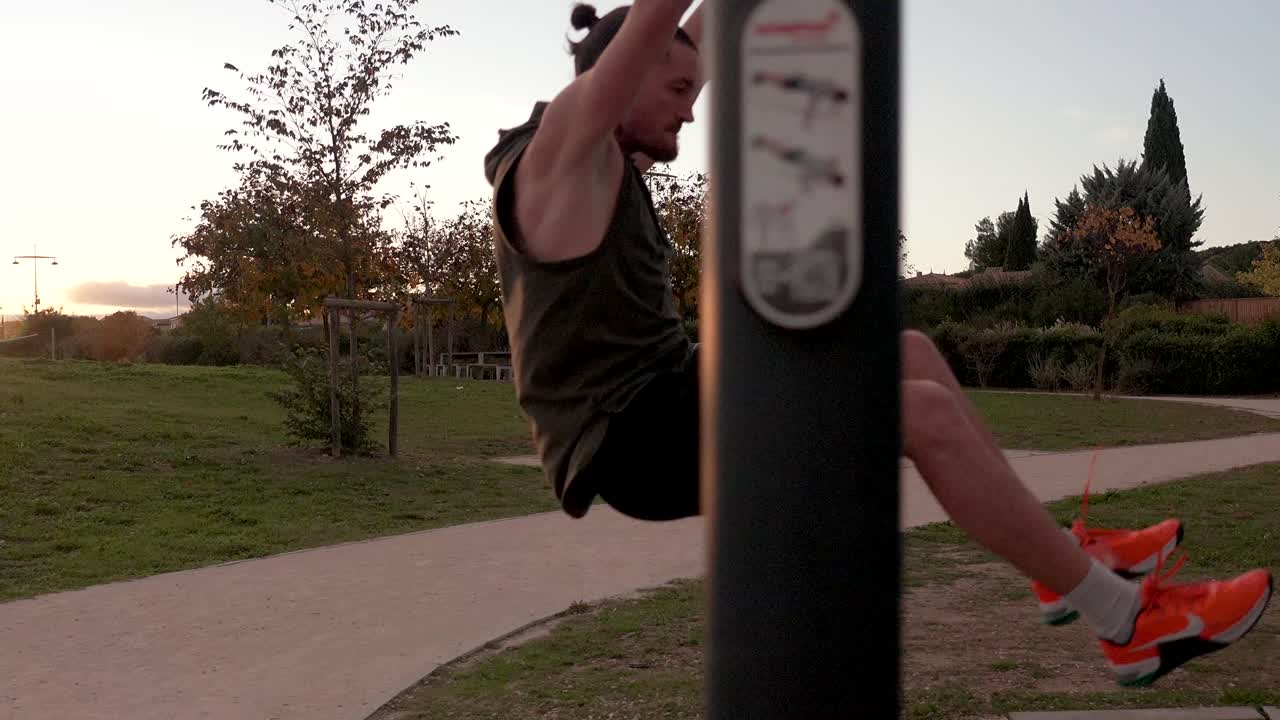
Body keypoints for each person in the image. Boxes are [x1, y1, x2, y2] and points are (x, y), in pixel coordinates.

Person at [482, 0, 1272, 688]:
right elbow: (654, 22)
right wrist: (655, 35)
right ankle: (1126, 620)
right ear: (620, 75)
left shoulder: (600, 153)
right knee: (918, 415)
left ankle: (1058, 566)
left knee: (914, 354)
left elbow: (692, 30)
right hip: (631, 442)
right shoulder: (563, 157)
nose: (693, 110)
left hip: (675, 388)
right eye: (680, 90)